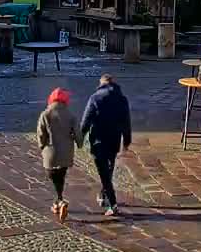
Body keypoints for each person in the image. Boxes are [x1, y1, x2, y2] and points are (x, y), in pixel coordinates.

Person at [79, 73, 132, 217]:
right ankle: (104, 195)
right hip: (114, 140)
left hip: (98, 140)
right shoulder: (122, 99)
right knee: (108, 169)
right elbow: (126, 123)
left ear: (101, 84)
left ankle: (113, 204)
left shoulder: (95, 98)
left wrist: (79, 138)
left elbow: (86, 121)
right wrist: (126, 141)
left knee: (104, 173)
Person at [37, 87, 80, 222]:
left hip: (50, 151)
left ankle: (60, 201)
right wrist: (79, 143)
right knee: (61, 175)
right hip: (66, 151)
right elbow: (78, 133)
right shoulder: (71, 115)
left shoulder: (45, 114)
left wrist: (42, 146)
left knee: (52, 176)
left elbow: (41, 134)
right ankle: (58, 201)